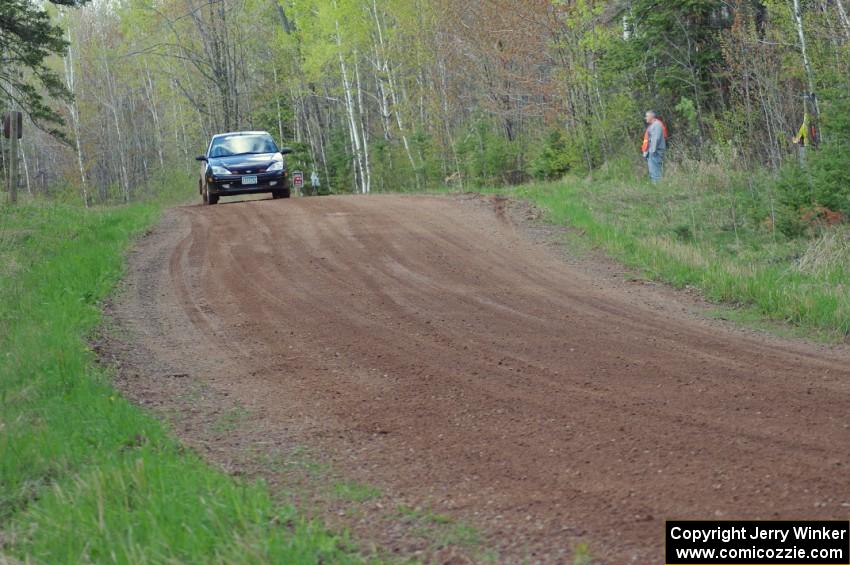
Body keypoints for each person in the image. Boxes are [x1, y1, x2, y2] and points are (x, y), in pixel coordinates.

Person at [642, 110, 667, 182]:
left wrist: (652, 151)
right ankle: (656, 188)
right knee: (653, 173)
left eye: (646, 116)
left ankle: (658, 189)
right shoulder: (653, 125)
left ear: (651, 116)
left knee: (656, 173)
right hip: (652, 153)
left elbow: (656, 139)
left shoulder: (657, 125)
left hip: (655, 153)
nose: (645, 118)